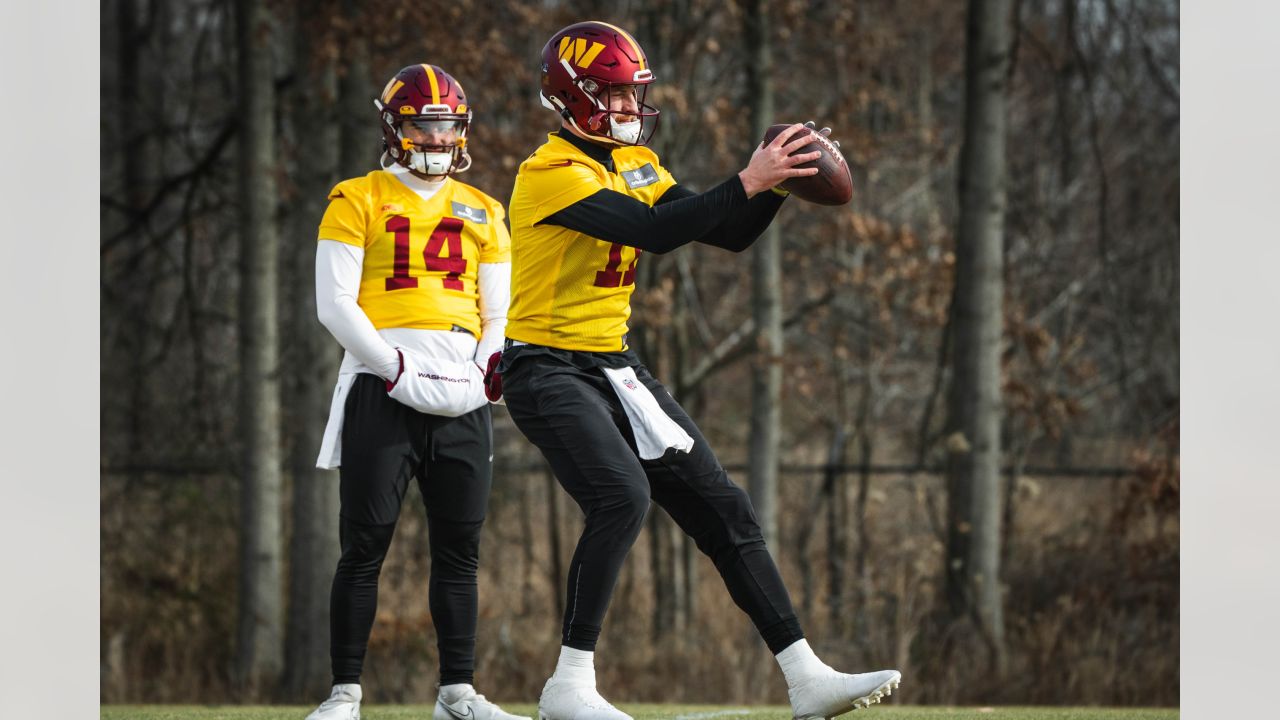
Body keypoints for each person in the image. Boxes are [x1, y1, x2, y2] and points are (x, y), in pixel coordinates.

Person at [491, 21, 903, 720]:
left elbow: (726, 232)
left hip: (613, 366)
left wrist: (777, 183)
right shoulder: (549, 172)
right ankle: (568, 686)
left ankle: (805, 677)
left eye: (633, 97)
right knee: (620, 496)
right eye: (614, 96)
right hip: (546, 368)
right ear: (573, 97)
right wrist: (748, 177)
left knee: (725, 508)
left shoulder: (639, 166)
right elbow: (654, 235)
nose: (629, 109)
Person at [307, 63, 528, 720]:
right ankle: (345, 692)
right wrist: (392, 365)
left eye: (445, 125)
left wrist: (489, 366)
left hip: (462, 393)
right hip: (384, 386)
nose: (435, 138)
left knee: (460, 549)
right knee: (365, 544)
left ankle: (457, 693)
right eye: (422, 124)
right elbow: (334, 303)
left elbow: (499, 314)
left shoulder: (485, 209)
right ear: (395, 127)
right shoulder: (357, 197)